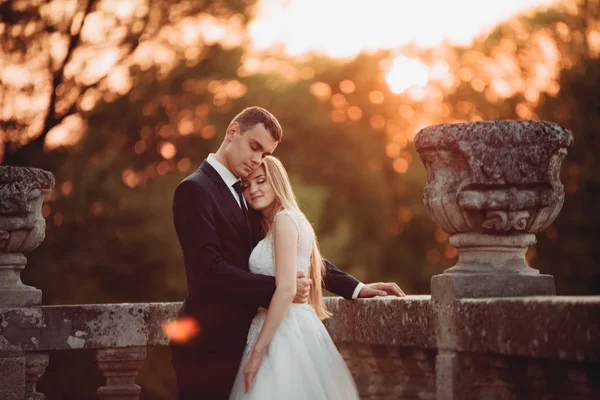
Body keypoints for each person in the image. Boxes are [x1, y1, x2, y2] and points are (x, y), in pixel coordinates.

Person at [171, 106, 405, 399]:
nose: (257, 159)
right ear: (232, 131)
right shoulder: (194, 190)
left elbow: (291, 255)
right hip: (207, 347)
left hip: (245, 342)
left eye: (265, 155)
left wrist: (356, 288)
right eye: (254, 146)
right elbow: (210, 269)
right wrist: (283, 288)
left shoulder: (247, 197)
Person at [229, 155, 361, 399]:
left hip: (284, 332)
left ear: (277, 181)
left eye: (261, 181)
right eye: (246, 185)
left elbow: (287, 289)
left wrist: (258, 352)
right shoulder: (280, 222)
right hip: (284, 325)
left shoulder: (284, 220)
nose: (253, 190)